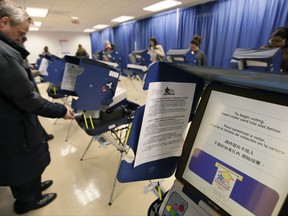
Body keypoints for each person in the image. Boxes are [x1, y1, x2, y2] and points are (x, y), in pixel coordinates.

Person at [0, 0, 74, 214]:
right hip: (12, 125)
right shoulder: (4, 54)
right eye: (20, 33)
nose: (21, 38)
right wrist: (61, 110)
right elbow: (27, 99)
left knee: (28, 160)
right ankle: (27, 201)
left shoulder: (6, 49)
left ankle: (32, 188)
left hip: (13, 120)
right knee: (22, 162)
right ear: (4, 22)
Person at [21, 36, 54, 142]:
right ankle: (42, 136)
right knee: (31, 116)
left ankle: (43, 135)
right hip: (27, 90)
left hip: (29, 88)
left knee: (33, 116)